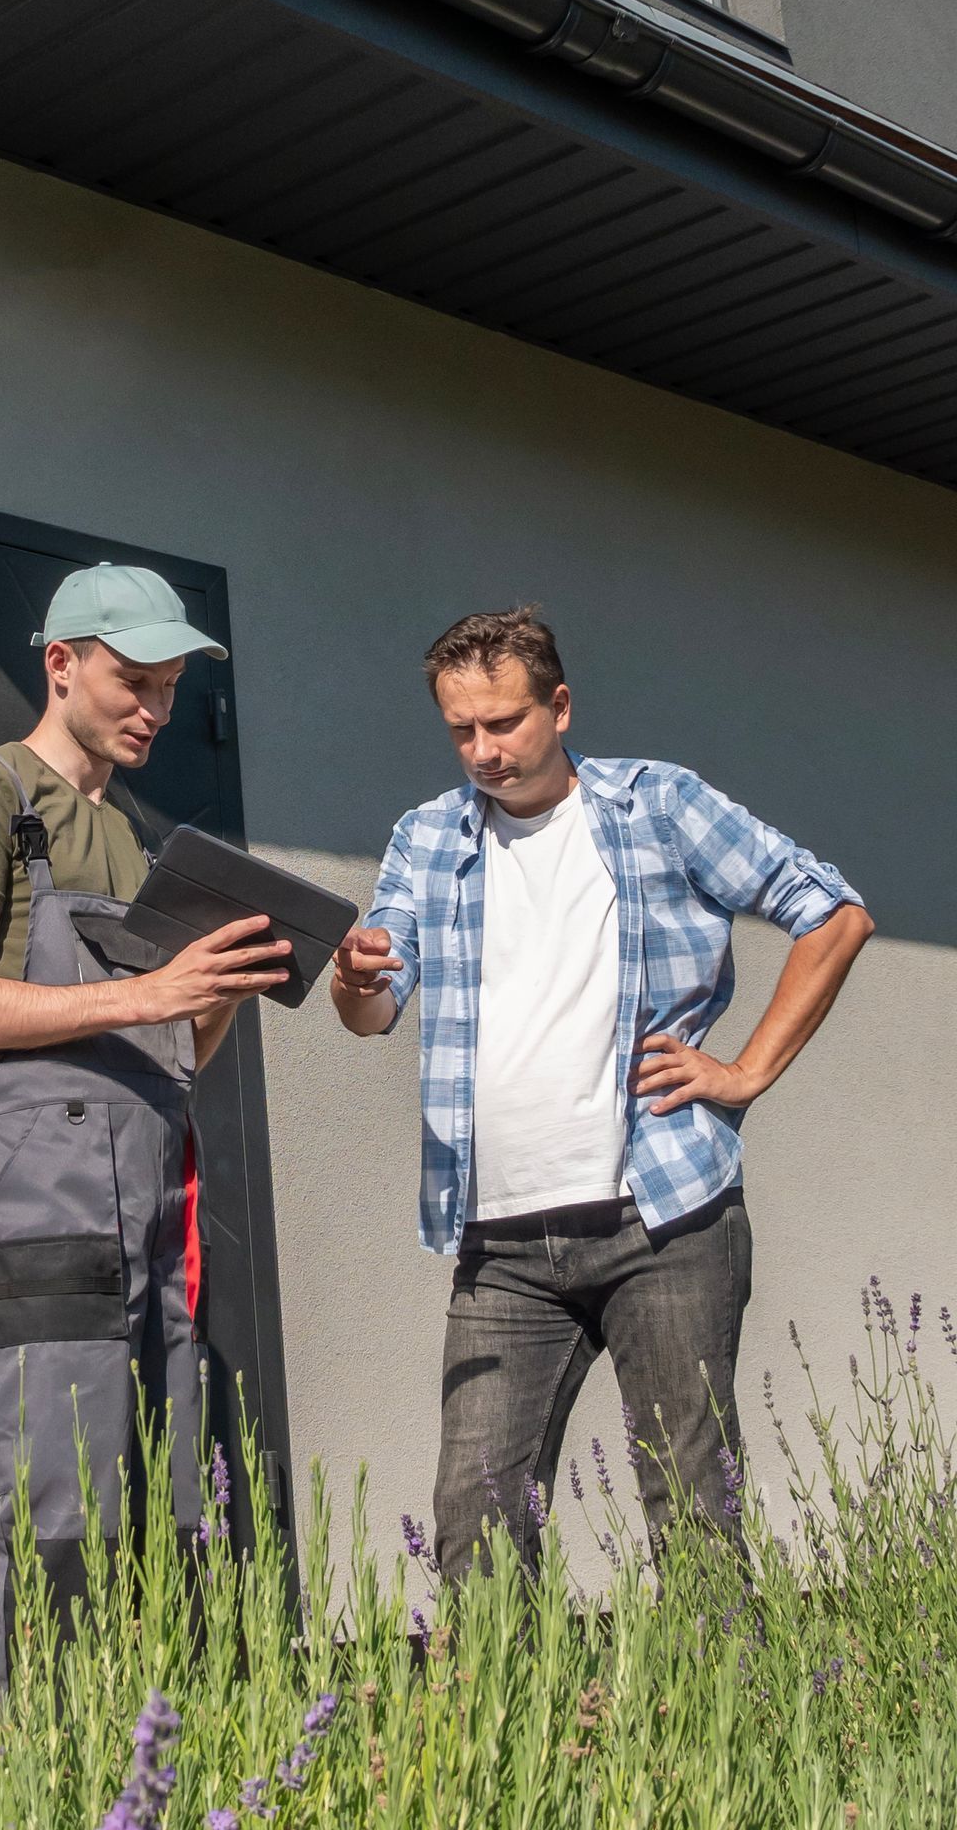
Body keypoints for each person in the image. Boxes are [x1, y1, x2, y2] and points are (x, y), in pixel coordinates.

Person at [330, 604, 873, 1577]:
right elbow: (374, 1008)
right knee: (473, 1524)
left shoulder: (658, 806)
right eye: (463, 730)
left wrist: (744, 1071)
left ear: (561, 705)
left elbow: (831, 912)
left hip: (663, 1217)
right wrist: (357, 976)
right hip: (499, 1240)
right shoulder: (426, 836)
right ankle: (538, 1735)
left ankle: (718, 1730)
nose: (485, 750)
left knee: (693, 1514)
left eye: (505, 723)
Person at [0, 562, 288, 1731]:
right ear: (61, 663)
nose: (155, 712)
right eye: (135, 681)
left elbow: (180, 1049)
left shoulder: (139, 841)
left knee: (171, 1495)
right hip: (42, 1199)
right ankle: (26, 1789)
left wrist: (217, 989)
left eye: (171, 689)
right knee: (56, 1500)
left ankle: (138, 1774)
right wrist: (148, 996)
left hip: (157, 1197)